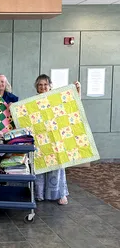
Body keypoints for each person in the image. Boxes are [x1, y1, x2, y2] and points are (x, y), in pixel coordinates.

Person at [34, 74, 81, 205]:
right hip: (40, 139)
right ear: (37, 87)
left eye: (45, 84)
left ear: (50, 86)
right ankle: (39, 194)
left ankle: (61, 194)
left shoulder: (55, 99)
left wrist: (77, 91)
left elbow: (72, 106)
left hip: (55, 138)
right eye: (40, 85)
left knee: (57, 166)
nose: (43, 87)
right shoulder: (32, 102)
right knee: (40, 166)